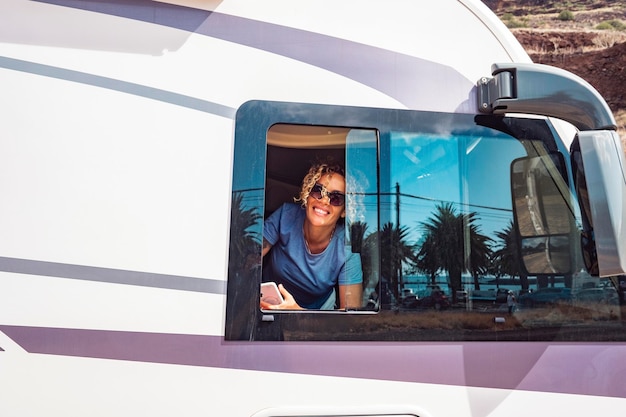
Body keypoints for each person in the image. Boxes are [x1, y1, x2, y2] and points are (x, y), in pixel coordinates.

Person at [260, 161, 363, 310]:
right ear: (308, 194)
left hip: (317, 316)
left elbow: (351, 318)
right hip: (265, 300)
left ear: (345, 211)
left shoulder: (347, 250)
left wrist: (297, 312)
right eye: (318, 190)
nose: (324, 200)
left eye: (336, 198)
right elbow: (248, 259)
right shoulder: (285, 215)